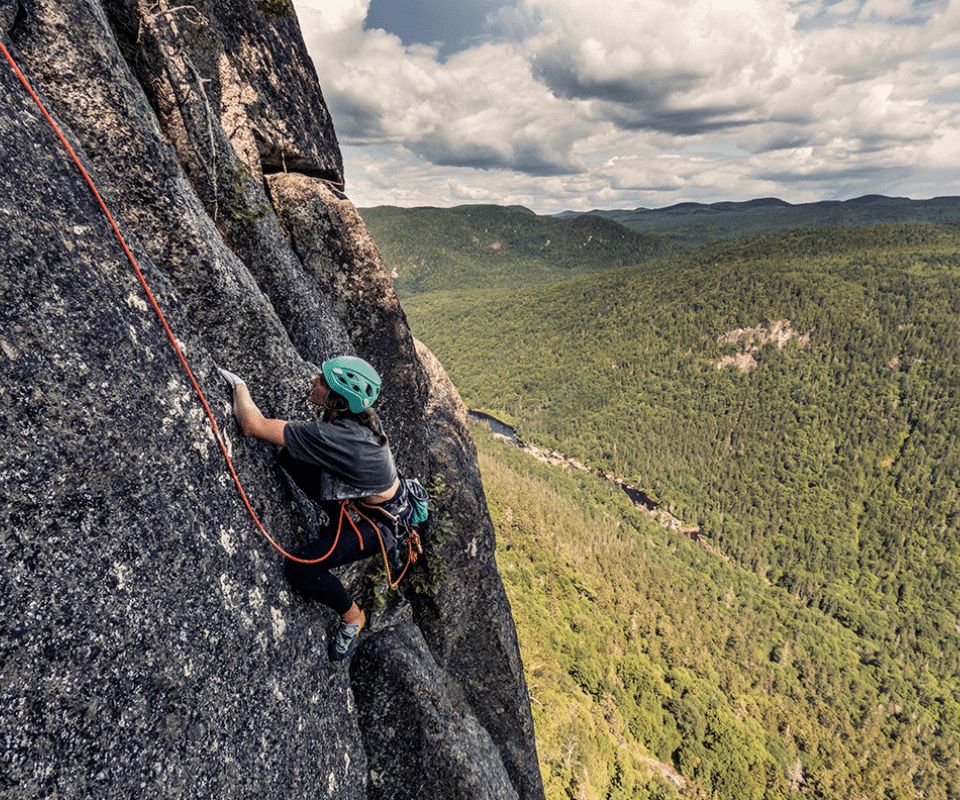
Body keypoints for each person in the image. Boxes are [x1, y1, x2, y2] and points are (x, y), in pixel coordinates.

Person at [217, 355, 408, 661]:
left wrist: (238, 384)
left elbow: (252, 426)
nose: (313, 381)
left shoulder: (337, 436)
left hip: (380, 524)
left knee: (302, 568)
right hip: (371, 500)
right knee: (291, 454)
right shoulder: (356, 421)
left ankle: (352, 616)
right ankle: (335, 526)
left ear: (337, 400)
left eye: (322, 381)